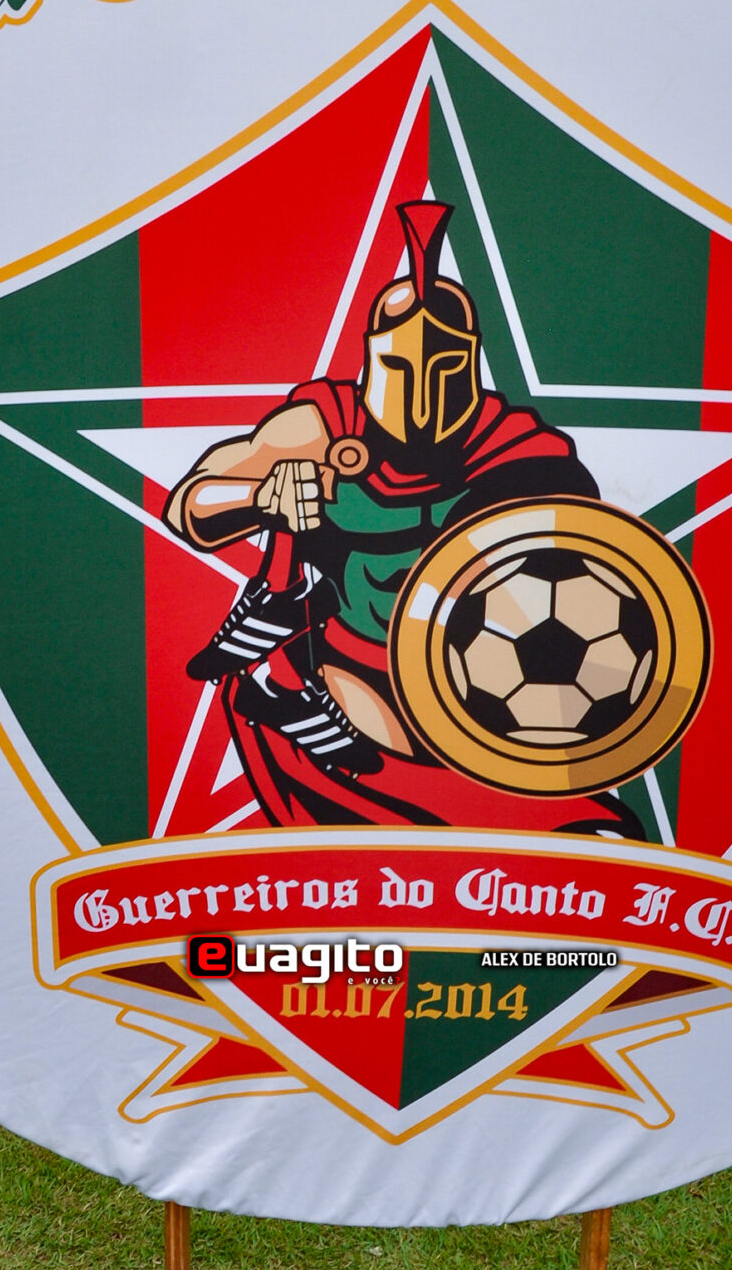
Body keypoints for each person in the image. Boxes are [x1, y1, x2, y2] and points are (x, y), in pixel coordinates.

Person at [165, 200, 646, 836]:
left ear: (471, 359)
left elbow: (592, 574)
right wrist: (261, 499)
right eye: (399, 366)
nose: (422, 395)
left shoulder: (521, 451)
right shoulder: (320, 425)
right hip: (343, 677)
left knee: (588, 835)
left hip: (486, 690)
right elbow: (191, 505)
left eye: (446, 366)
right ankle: (282, 680)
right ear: (372, 358)